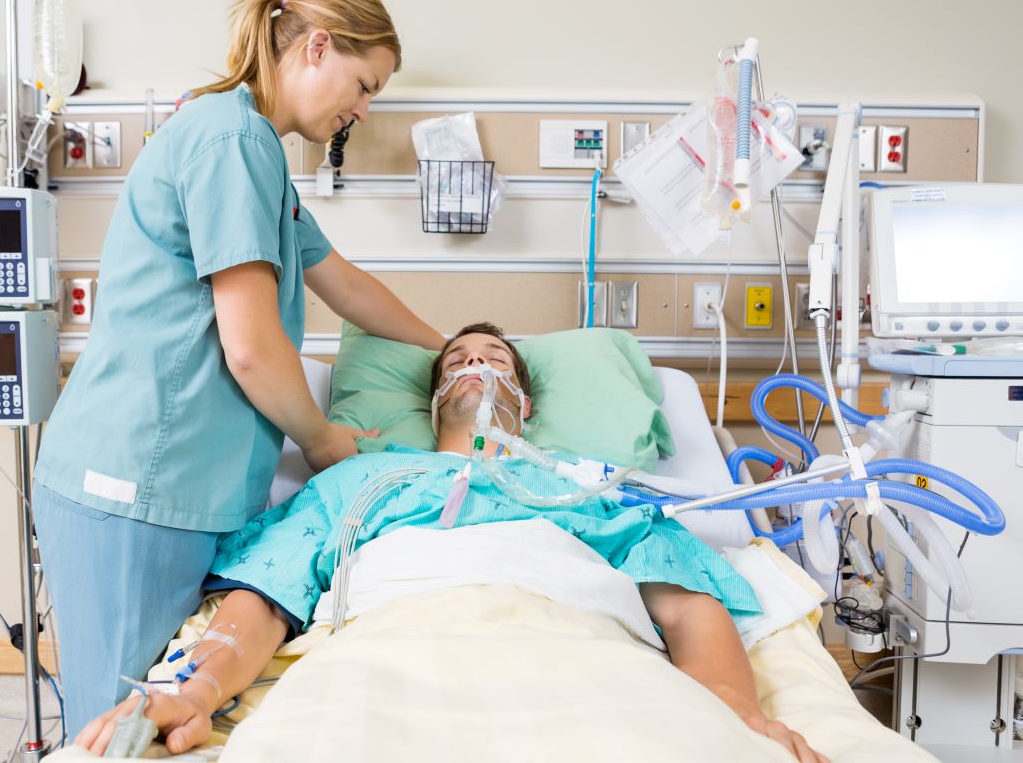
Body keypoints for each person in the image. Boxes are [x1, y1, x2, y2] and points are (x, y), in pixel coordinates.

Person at [75, 323, 830, 763]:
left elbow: (687, 601)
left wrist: (732, 709)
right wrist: (199, 689)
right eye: (457, 361)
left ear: (525, 402)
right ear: (435, 394)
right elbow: (263, 597)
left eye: (495, 360)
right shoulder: (362, 482)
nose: (475, 367)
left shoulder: (585, 486)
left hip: (577, 645)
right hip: (387, 650)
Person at [31, 0, 445, 735]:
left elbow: (346, 285)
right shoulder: (234, 140)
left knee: (158, 720)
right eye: (364, 84)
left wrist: (450, 350)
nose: (363, 109)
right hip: (132, 485)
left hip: (167, 489)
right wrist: (324, 443)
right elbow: (251, 348)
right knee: (118, 729)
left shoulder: (253, 153)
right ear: (317, 46)